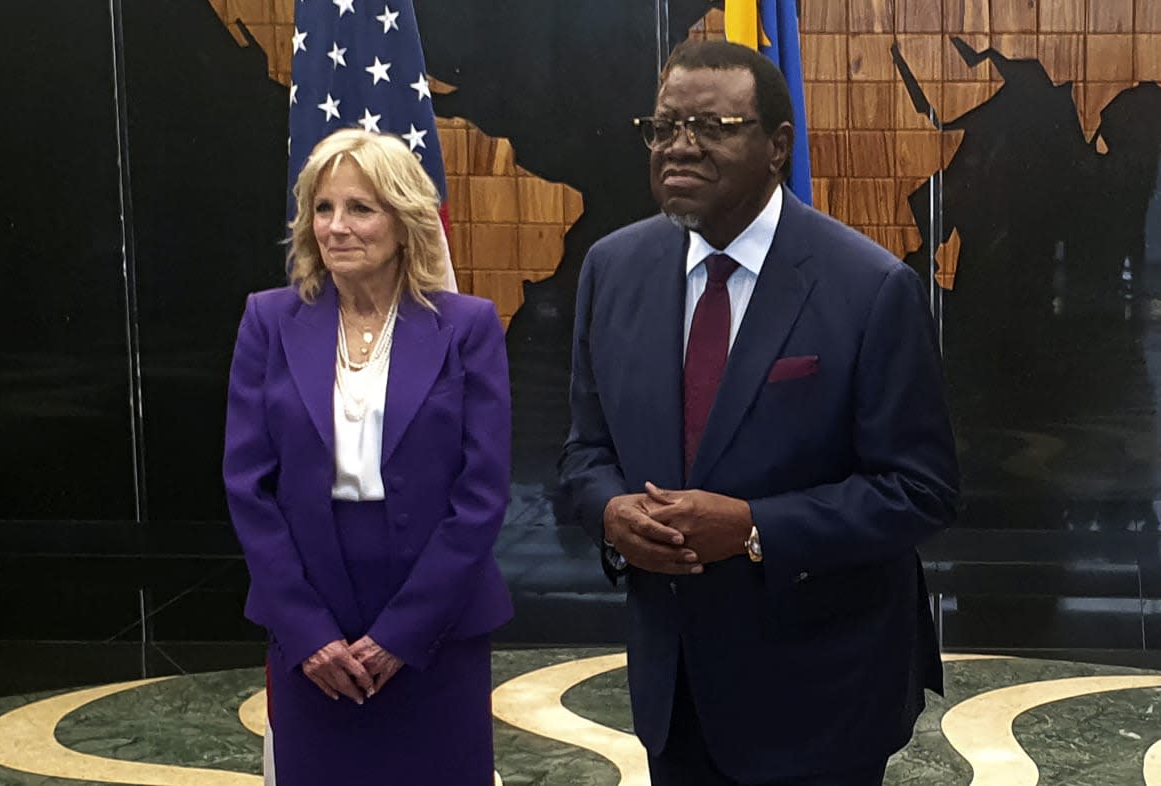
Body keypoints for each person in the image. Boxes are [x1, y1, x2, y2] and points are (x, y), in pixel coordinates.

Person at [560, 40, 959, 786]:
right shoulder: (611, 271)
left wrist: (751, 528)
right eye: (665, 126)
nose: (680, 147)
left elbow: (920, 490)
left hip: (822, 695)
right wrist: (611, 513)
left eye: (713, 126)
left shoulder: (869, 288)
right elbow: (586, 451)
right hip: (673, 692)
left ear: (778, 147)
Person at [223, 128, 512, 785]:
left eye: (360, 208)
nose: (336, 227)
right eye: (323, 208)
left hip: (437, 621)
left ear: (405, 221)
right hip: (309, 612)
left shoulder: (465, 326)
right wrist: (307, 632)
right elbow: (248, 486)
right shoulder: (268, 321)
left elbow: (482, 494)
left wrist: (402, 634)